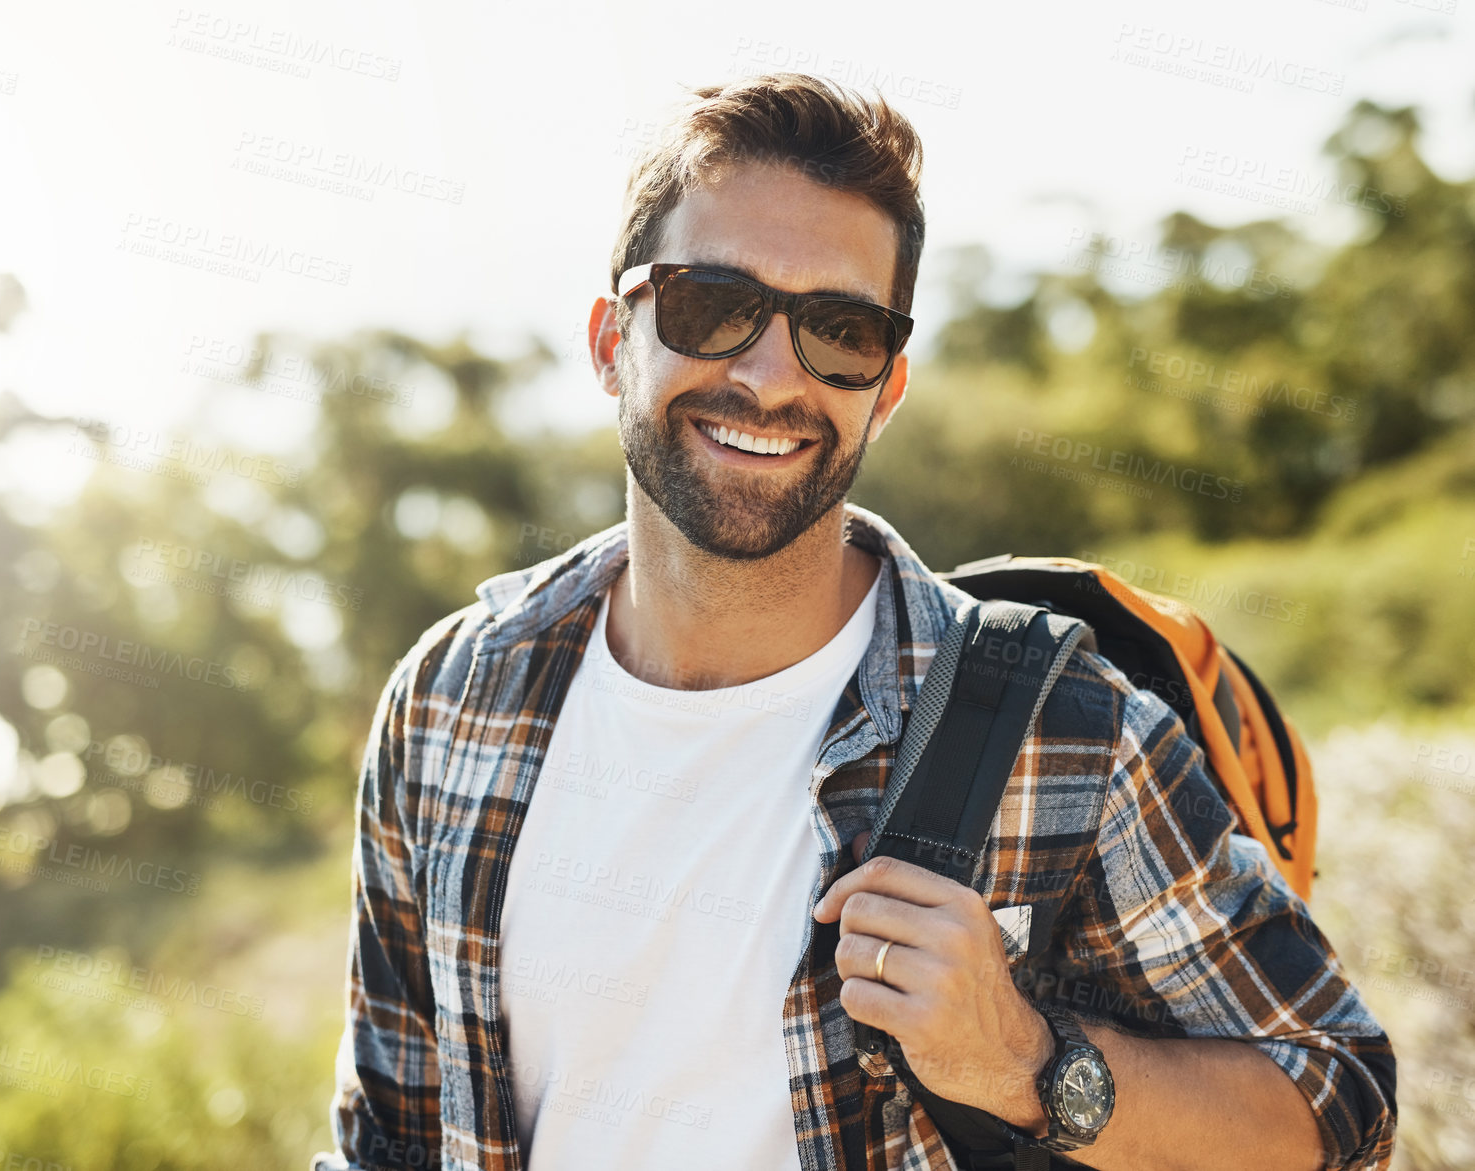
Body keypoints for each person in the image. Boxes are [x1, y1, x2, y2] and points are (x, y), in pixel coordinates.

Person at [313, 72, 1397, 1171]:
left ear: (884, 388)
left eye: (838, 329)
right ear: (609, 342)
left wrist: (1024, 1060)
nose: (770, 373)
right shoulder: (452, 697)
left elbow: (1338, 1107)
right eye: (711, 303)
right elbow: (389, 1141)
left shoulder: (1062, 731)